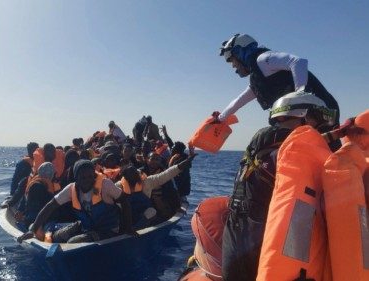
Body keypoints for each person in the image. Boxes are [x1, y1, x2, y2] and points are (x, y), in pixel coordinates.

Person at [221, 90, 337, 281]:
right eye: (319, 122)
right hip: (262, 254)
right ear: (305, 118)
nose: (320, 130)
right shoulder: (291, 156)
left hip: (235, 244)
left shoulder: (259, 150)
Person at [216, 33, 340, 150]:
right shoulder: (258, 79)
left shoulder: (263, 59)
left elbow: (298, 62)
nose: (233, 65)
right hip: (305, 117)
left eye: (232, 60)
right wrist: (220, 118)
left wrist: (300, 94)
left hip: (321, 112)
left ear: (239, 51)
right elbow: (239, 101)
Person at [17, 160, 136, 243]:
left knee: (73, 242)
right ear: (76, 178)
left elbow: (124, 201)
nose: (87, 180)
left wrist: (128, 228)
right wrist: (33, 230)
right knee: (56, 237)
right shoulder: (71, 189)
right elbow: (50, 206)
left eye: (90, 176)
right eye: (83, 177)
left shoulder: (105, 185)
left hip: (108, 229)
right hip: (86, 226)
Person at [117, 155, 195, 229]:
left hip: (141, 216)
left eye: (135, 173)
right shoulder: (119, 185)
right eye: (129, 174)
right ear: (124, 177)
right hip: (124, 215)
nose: (133, 176)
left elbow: (167, 174)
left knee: (152, 211)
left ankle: (137, 229)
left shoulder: (148, 181)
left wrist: (185, 162)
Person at [0, 162, 60, 232]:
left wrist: (19, 210)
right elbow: (49, 207)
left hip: (29, 219)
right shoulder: (43, 188)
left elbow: (24, 199)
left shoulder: (33, 184)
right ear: (52, 175)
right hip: (38, 221)